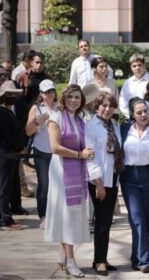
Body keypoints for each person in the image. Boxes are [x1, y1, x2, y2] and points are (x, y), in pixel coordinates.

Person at [45, 84, 94, 278]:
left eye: (77, 97)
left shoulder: (81, 120)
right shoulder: (56, 118)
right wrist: (79, 155)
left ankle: (62, 255)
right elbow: (55, 147)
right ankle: (72, 261)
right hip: (61, 173)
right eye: (71, 97)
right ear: (64, 99)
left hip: (77, 171)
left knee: (72, 215)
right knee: (66, 217)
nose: (74, 100)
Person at [120, 98, 149, 273]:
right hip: (129, 177)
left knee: (146, 220)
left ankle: (136, 256)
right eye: (139, 112)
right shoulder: (123, 129)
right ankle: (145, 260)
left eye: (145, 111)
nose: (143, 115)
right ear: (131, 114)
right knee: (137, 219)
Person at [84, 92, 123, 276]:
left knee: (107, 221)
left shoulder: (114, 125)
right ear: (96, 107)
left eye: (110, 106)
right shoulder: (91, 127)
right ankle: (99, 261)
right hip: (99, 180)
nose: (107, 109)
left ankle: (102, 258)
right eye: (104, 106)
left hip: (113, 178)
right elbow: (90, 157)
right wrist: (98, 182)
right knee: (101, 221)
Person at [24, 79, 57, 229]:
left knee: (58, 184)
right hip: (41, 151)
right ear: (41, 93)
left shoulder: (60, 108)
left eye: (51, 91)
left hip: (57, 151)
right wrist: (37, 122)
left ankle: (56, 214)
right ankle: (43, 215)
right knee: (44, 185)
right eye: (45, 92)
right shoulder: (36, 108)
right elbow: (28, 131)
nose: (49, 94)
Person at [0, 81, 27, 230]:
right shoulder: (1, 112)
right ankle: (5, 219)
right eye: (10, 94)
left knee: (7, 186)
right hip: (4, 155)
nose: (13, 97)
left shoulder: (7, 111)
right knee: (4, 188)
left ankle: (3, 215)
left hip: (9, 154)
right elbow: (7, 135)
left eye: (15, 94)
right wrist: (20, 147)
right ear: (3, 96)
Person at [119, 53, 149, 118]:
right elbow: (122, 103)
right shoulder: (127, 83)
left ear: (144, 65)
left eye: (139, 65)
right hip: (132, 119)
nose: (137, 68)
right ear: (131, 68)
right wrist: (132, 116)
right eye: (134, 66)